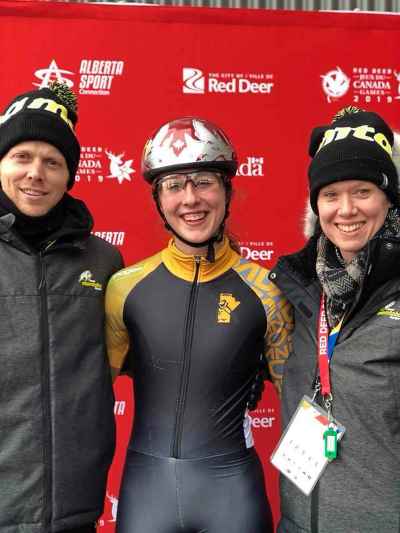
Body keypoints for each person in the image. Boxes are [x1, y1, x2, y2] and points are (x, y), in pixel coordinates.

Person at [105, 116, 293, 532]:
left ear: (227, 190)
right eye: (174, 185)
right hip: (145, 494)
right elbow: (82, 399)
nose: (190, 198)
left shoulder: (267, 291)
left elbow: (306, 406)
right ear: (158, 200)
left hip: (231, 495)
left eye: (204, 181)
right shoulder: (124, 288)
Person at [0, 83, 124, 533]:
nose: (36, 173)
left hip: (77, 511)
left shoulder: (104, 261)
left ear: (69, 174)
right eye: (21, 157)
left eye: (52, 162)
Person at [270, 106, 400, 533]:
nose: (346, 210)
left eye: (362, 191)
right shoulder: (301, 289)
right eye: (330, 194)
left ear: (388, 197)